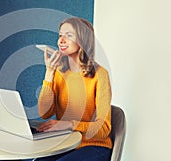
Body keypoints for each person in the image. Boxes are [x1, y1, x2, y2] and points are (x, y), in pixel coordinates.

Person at [36, 17, 113, 161]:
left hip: (94, 146)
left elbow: (104, 129)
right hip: (65, 144)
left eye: (69, 35)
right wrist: (49, 73)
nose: (61, 40)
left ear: (83, 40)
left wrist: (70, 124)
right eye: (60, 35)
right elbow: (45, 113)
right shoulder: (59, 71)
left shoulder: (100, 75)